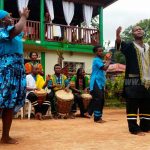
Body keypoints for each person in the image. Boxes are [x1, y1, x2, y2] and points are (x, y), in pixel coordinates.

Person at [0, 8, 29, 144]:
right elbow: (15, 30)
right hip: (5, 71)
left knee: (9, 105)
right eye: (8, 17)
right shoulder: (1, 31)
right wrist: (23, 17)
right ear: (1, 20)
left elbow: (18, 30)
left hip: (16, 72)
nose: (10, 18)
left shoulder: (15, 34)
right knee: (1, 103)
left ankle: (5, 136)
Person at [116, 26, 150, 135]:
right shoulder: (130, 46)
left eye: (140, 29)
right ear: (133, 34)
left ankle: (145, 126)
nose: (139, 30)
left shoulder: (148, 46)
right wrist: (117, 36)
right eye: (136, 30)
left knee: (146, 105)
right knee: (132, 105)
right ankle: (134, 129)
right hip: (132, 80)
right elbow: (120, 44)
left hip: (147, 81)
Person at [89, 45, 111, 123]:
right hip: (96, 81)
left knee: (101, 100)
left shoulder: (99, 60)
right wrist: (108, 60)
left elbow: (104, 64)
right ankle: (96, 118)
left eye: (102, 51)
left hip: (100, 82)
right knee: (98, 99)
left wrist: (106, 60)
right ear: (95, 52)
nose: (101, 52)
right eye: (99, 51)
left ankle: (99, 117)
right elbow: (104, 68)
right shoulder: (96, 60)